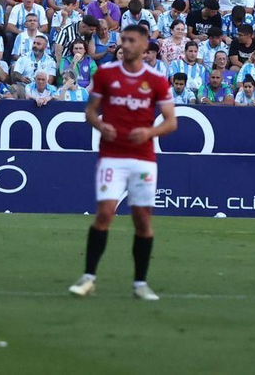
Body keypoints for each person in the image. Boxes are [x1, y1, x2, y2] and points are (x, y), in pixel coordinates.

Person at [68, 22, 178, 302]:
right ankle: (88, 277)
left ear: (143, 45)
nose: (125, 45)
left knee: (142, 221)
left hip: (143, 160)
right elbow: (90, 112)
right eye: (123, 40)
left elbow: (171, 122)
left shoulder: (156, 80)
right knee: (105, 213)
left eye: (131, 40)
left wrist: (150, 132)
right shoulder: (105, 74)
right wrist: (100, 126)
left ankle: (140, 282)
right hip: (112, 158)